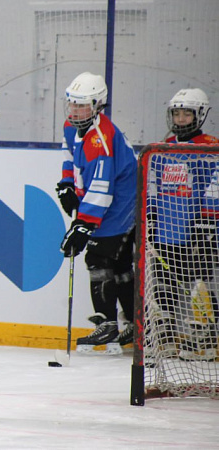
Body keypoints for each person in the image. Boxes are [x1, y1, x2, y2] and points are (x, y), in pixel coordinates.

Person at [55, 72, 136, 355]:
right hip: (110, 199)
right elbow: (69, 156)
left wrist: (83, 226)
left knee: (98, 257)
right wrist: (67, 184)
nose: (76, 111)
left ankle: (108, 323)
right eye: (72, 104)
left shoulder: (101, 137)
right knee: (122, 264)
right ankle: (135, 322)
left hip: (122, 203)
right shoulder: (71, 126)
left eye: (82, 106)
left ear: (98, 105)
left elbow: (102, 188)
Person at [147, 88, 218, 360]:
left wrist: (207, 223)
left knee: (198, 284)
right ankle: (165, 337)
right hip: (166, 231)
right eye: (176, 113)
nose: (180, 118)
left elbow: (216, 186)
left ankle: (204, 338)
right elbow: (151, 185)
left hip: (196, 232)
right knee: (163, 286)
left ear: (199, 115)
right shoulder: (163, 147)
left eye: (186, 113)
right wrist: (151, 218)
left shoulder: (211, 146)